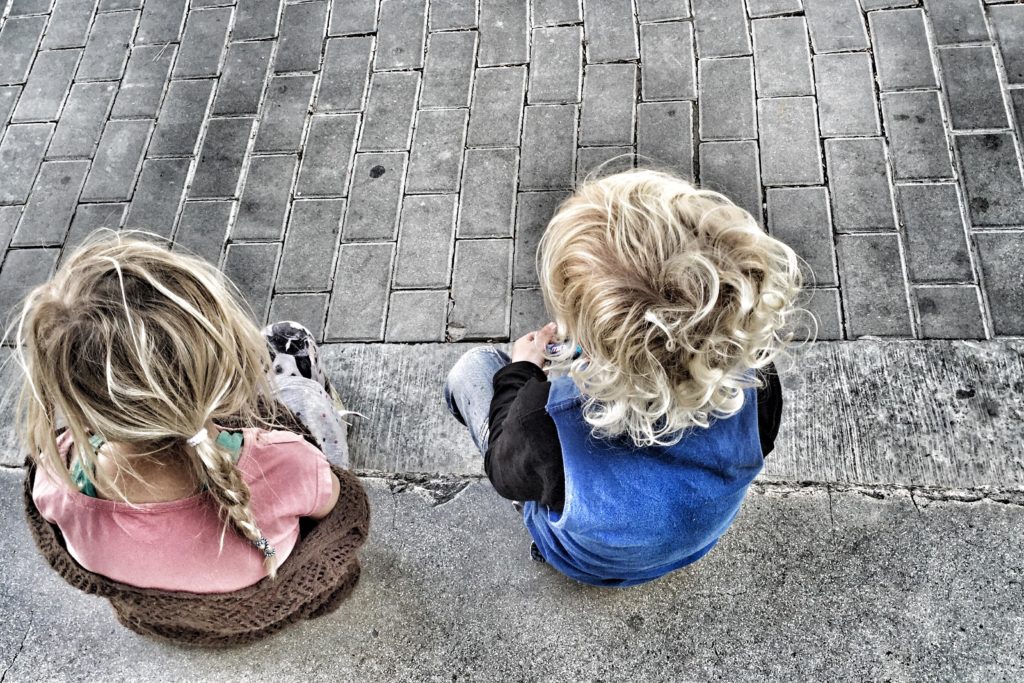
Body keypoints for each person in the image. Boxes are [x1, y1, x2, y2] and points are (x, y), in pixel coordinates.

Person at [444, 169, 806, 587]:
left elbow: (505, 475)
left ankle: (547, 542)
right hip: (695, 542)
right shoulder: (757, 383)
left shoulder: (539, 421)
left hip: (591, 563)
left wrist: (521, 372)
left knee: (473, 369)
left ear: (593, 337)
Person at [16, 232, 369, 645]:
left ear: (73, 396)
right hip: (280, 513)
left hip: (181, 622)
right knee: (293, 361)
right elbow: (339, 508)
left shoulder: (57, 483)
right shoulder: (285, 463)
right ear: (223, 357)